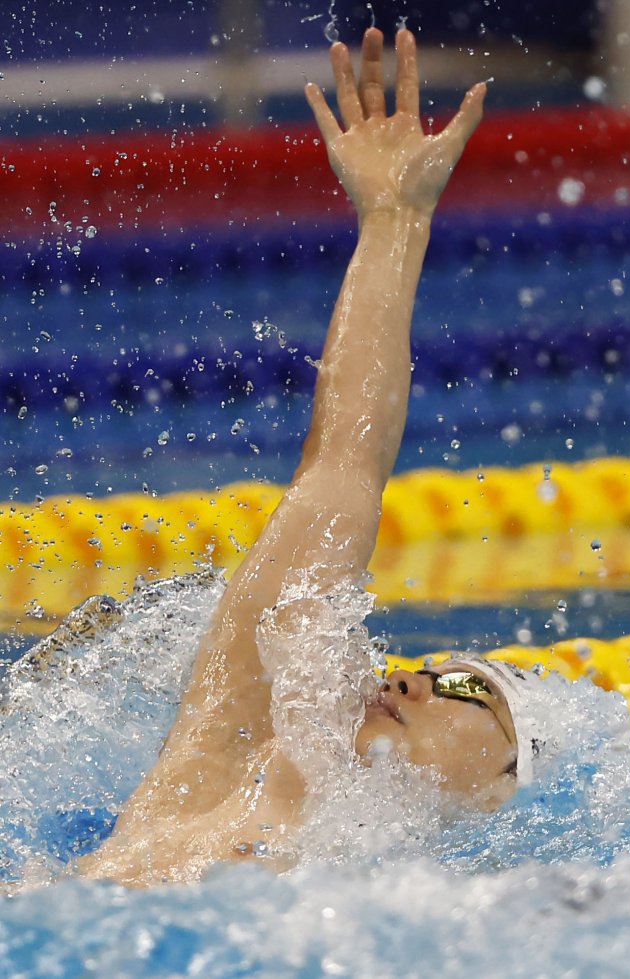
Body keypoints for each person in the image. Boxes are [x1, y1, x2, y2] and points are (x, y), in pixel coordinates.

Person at [77, 26, 542, 887]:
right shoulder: (215, 776)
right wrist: (395, 221)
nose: (410, 680)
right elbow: (343, 467)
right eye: (435, 670)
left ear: (502, 787)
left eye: (467, 691)